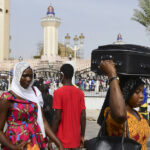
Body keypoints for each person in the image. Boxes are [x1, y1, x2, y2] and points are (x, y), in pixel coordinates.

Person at [0, 62, 64, 150]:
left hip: (35, 142)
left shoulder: (34, 94)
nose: (29, 79)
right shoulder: (7, 98)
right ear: (17, 76)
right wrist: (14, 147)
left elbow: (43, 122)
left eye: (31, 76)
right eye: (25, 75)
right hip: (15, 143)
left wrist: (58, 142)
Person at [97, 60, 150, 150]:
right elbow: (120, 115)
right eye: (137, 92)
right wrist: (112, 75)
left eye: (142, 91)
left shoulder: (138, 115)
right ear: (126, 92)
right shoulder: (113, 114)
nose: (142, 96)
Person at [51, 64, 86, 150]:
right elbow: (83, 116)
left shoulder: (58, 93)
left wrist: (51, 139)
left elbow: (57, 117)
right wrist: (82, 136)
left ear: (62, 75)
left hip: (61, 142)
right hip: (76, 141)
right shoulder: (80, 93)